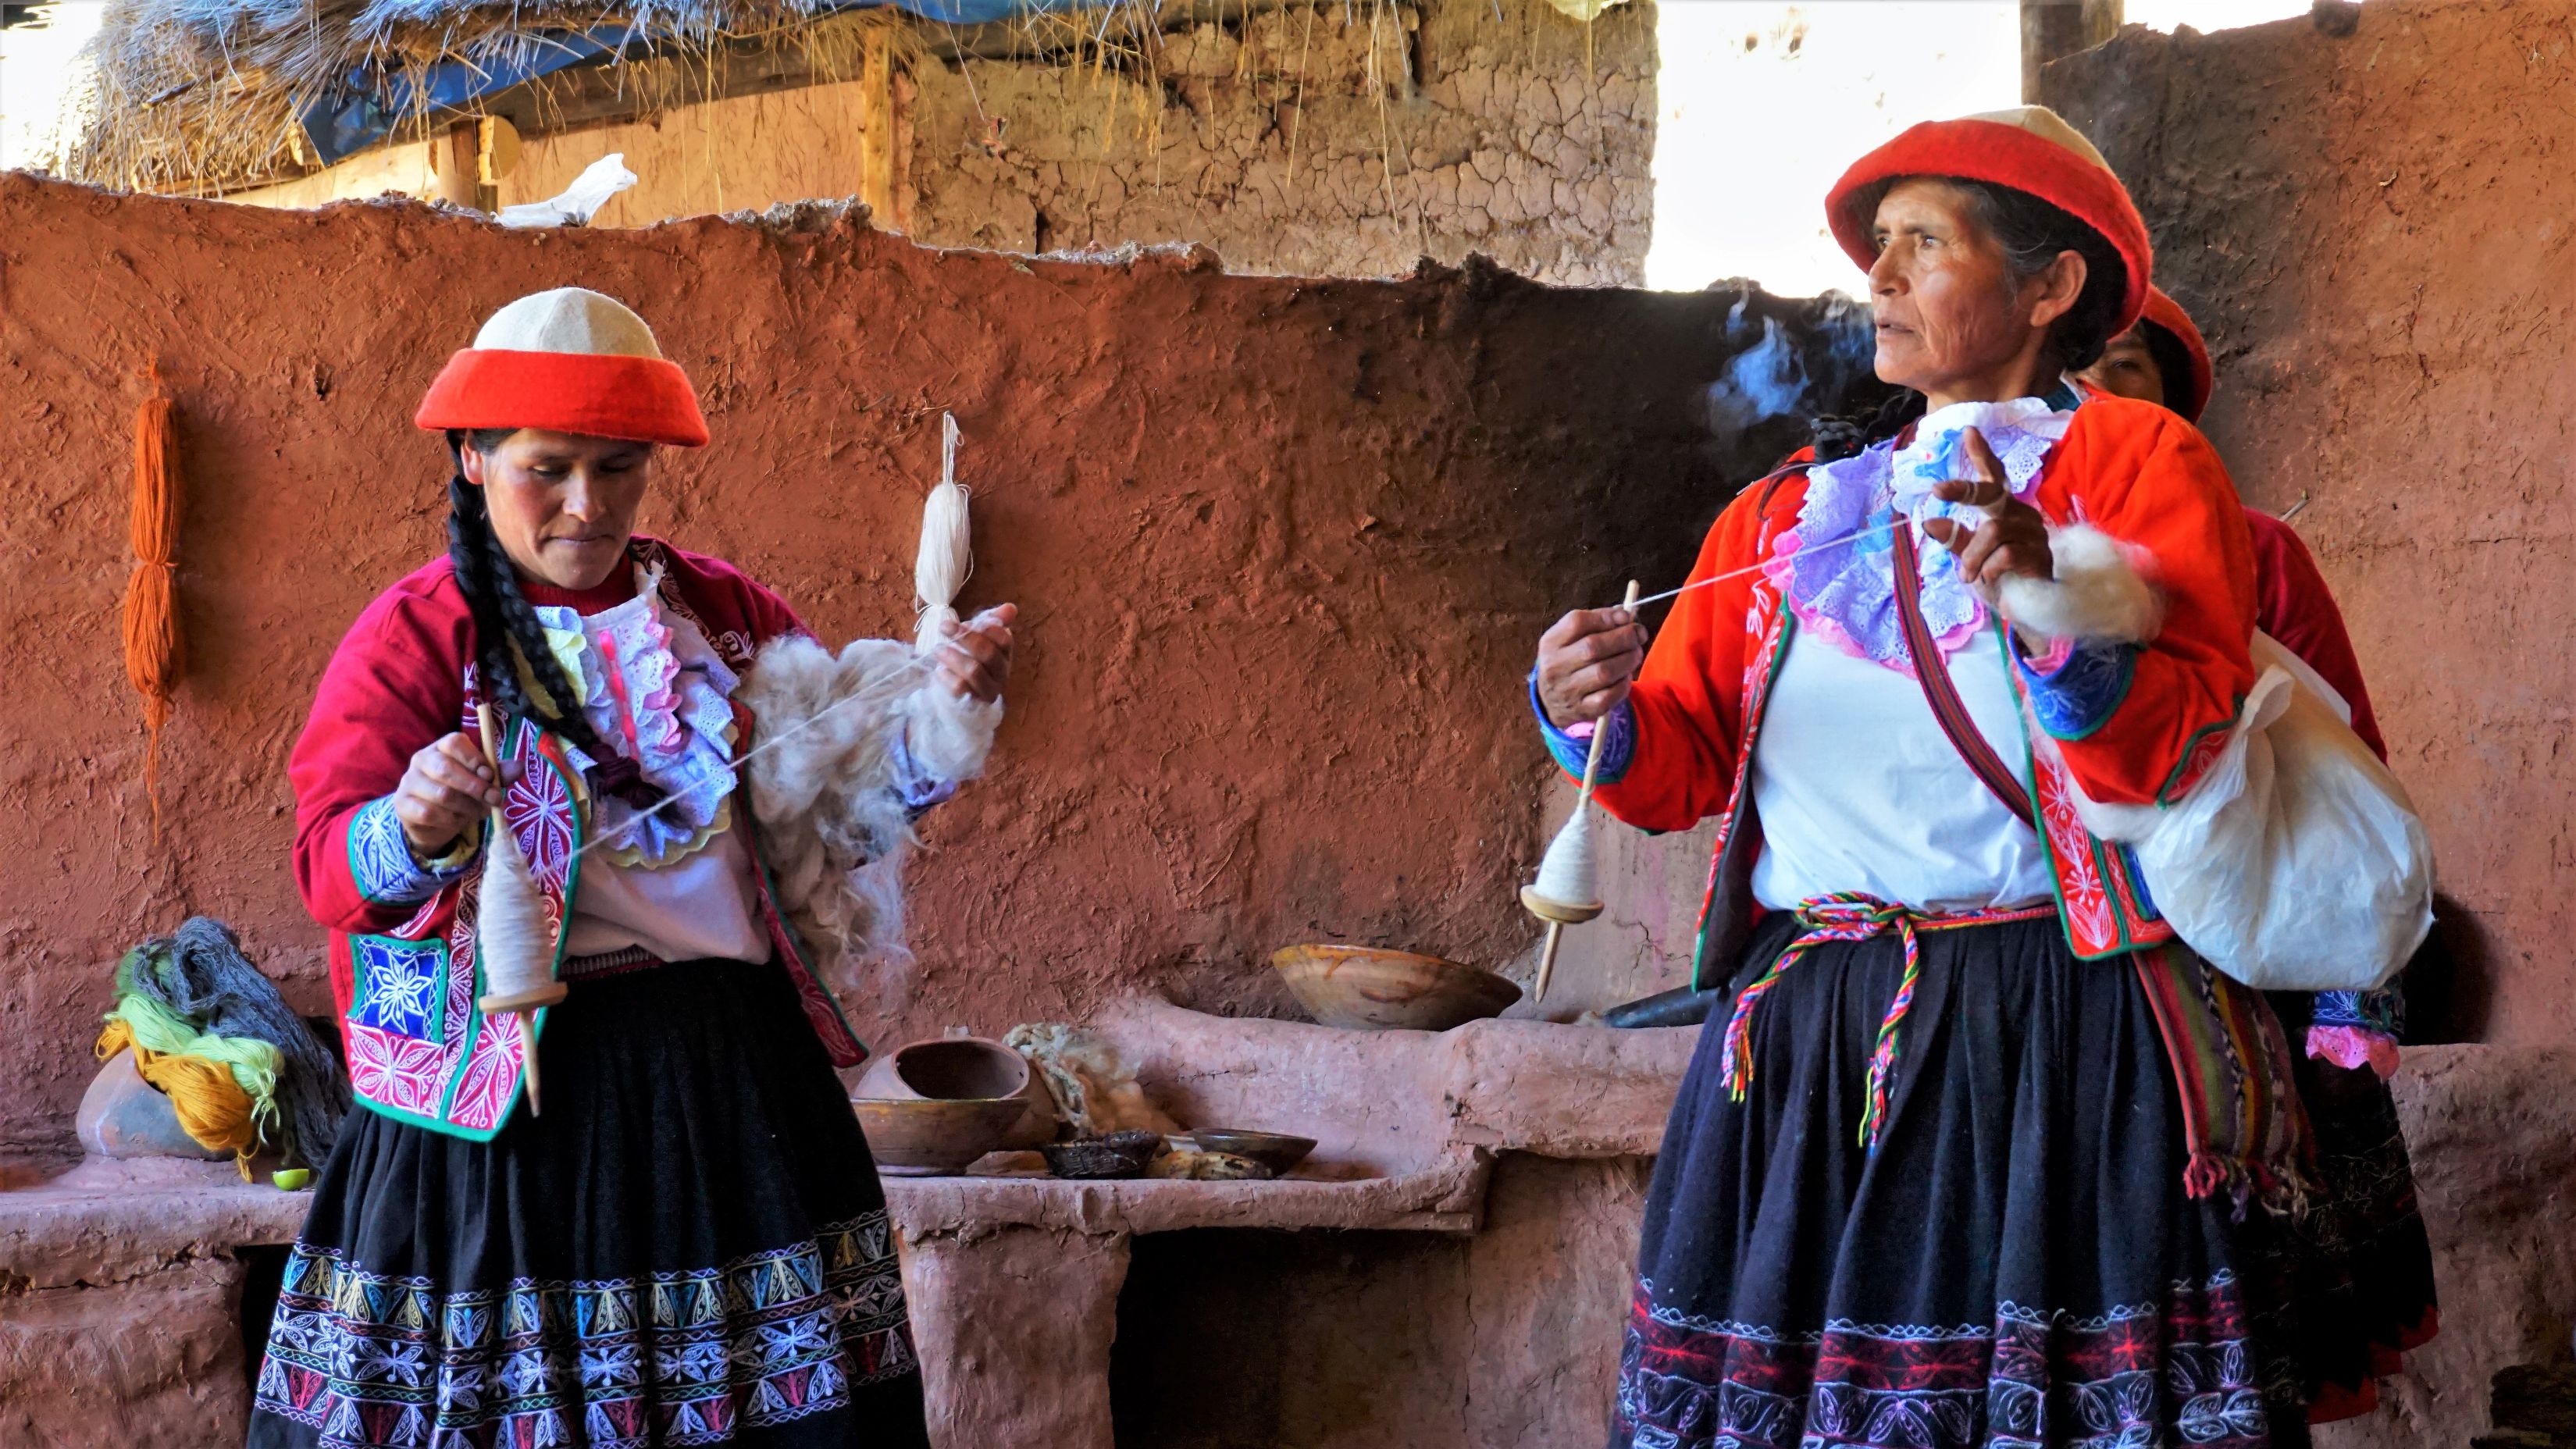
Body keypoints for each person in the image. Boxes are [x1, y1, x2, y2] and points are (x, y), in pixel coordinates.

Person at [1535, 108, 2322, 1447]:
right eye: (1880, 247)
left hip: (2054, 1035)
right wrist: (1584, 710)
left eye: (1924, 243)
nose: (1881, 277)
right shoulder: (1786, 516)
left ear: (2047, 287)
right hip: (1812, 1045)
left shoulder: (2136, 468)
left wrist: (2049, 602)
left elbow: (2183, 748)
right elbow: (1674, 776)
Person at [248, 287, 1014, 1448]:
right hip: (500, 1112)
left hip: (725, 1085)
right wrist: (410, 825)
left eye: (617, 470)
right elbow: (327, 867)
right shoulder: (416, 638)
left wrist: (946, 715)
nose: (585, 504)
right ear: (471, 458)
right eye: (545, 469)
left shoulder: (718, 615)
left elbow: (833, 826)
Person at [2079, 286, 2438, 1420]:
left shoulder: (2254, 553)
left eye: (2127, 370)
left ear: (2179, 422)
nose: (2093, 389)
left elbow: (2348, 777)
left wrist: (2350, 1008)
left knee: (2227, 1311)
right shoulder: (1971, 558)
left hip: (2231, 966)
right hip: (2060, 974)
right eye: (2076, 370)